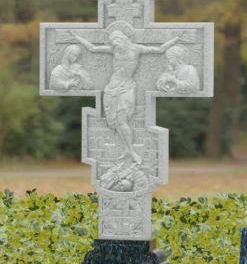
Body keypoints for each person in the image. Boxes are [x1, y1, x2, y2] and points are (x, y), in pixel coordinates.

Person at [70, 27, 180, 165]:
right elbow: (92, 48)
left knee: (121, 120)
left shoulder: (137, 49)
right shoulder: (113, 50)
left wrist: (176, 39)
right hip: (112, 88)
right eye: (112, 42)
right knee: (115, 121)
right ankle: (127, 150)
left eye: (116, 40)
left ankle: (131, 151)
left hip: (126, 87)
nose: (114, 44)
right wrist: (77, 38)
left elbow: (159, 50)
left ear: (123, 38)